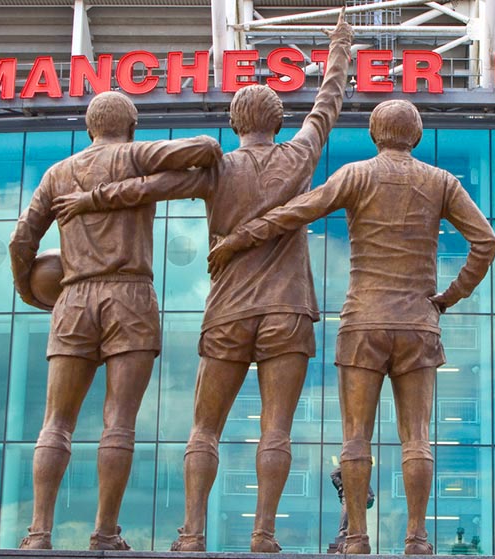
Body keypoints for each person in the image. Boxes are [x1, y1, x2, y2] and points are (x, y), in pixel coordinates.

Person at [51, 13, 353, 552]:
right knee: (276, 429)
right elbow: (327, 103)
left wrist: (89, 198)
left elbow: (148, 187)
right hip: (287, 309)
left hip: (227, 312)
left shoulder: (217, 170)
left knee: (205, 427)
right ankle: (264, 535)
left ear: (235, 123)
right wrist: (340, 47)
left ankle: (191, 534)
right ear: (278, 121)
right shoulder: (300, 154)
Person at [205, 99, 495, 554]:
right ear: (417, 136)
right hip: (418, 322)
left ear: (374, 136)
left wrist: (240, 238)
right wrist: (450, 295)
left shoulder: (356, 175)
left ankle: (358, 538)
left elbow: (297, 211)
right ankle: (417, 538)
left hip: (363, 321)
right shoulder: (441, 182)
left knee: (356, 437)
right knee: (417, 437)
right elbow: (486, 242)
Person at [9, 90, 222, 550]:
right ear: (131, 126)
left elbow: (20, 240)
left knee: (55, 422)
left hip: (73, 298)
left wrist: (31, 292)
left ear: (90, 128)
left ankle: (38, 532)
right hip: (129, 295)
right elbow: (207, 148)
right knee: (119, 422)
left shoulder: (57, 173)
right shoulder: (135, 154)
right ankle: (105, 532)